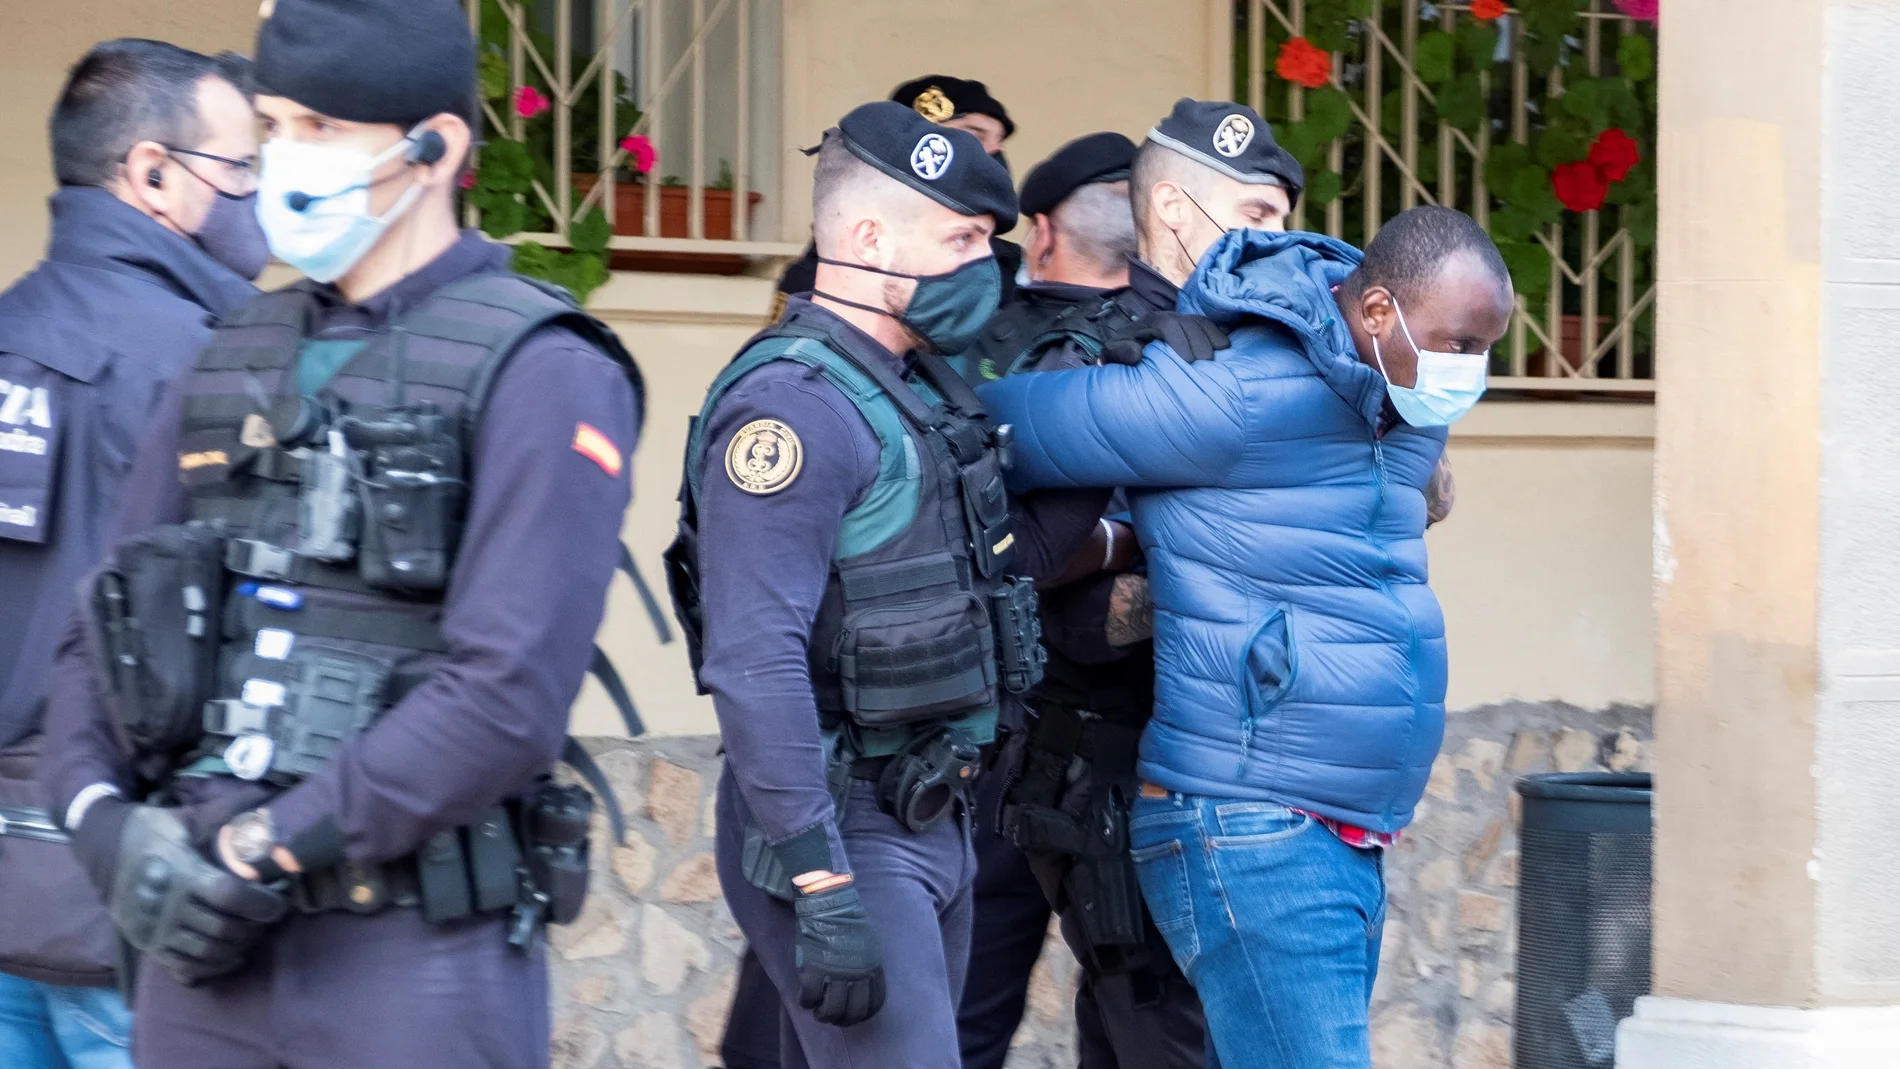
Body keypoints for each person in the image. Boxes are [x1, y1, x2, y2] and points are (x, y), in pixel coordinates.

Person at [36, 2, 643, 1067]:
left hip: (410, 963)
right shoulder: (225, 350)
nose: (281, 161)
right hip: (201, 952)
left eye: (318, 129)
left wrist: (264, 848)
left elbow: (505, 696)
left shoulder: (547, 369)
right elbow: (103, 626)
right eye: (272, 127)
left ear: (438, 146)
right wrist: (103, 823)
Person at [977, 203, 1515, 1068]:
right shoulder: (1231, 393)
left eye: (1486, 348)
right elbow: (994, 428)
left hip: (1345, 825)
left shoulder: (1400, 404)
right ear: (1375, 312)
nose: (1469, 371)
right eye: (1457, 343)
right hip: (1252, 818)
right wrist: (1111, 543)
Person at [668, 100, 1110, 1069]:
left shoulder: (916, 393)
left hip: (931, 813)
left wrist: (1102, 414)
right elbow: (753, 655)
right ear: (868, 236)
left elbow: (1010, 568)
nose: (981, 264)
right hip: (845, 828)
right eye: (958, 237)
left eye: (989, 240)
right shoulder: (792, 409)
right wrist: (820, 881)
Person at [959, 110, 1302, 1069]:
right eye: (1255, 210)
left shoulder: (1276, 355)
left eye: (1282, 215)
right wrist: (1153, 547)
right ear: (1171, 209)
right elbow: (1053, 585)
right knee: (1165, 1034)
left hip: (1241, 777)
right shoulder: (1104, 360)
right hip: (1114, 769)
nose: (1274, 239)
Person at [0, 38, 264, 1069]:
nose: (259, 202)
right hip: (132, 901)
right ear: (153, 173)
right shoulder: (209, 362)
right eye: (242, 172)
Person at [771, 75, 1023, 321]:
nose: (993, 154)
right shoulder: (827, 271)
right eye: (976, 137)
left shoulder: (1009, 267)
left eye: (999, 142)